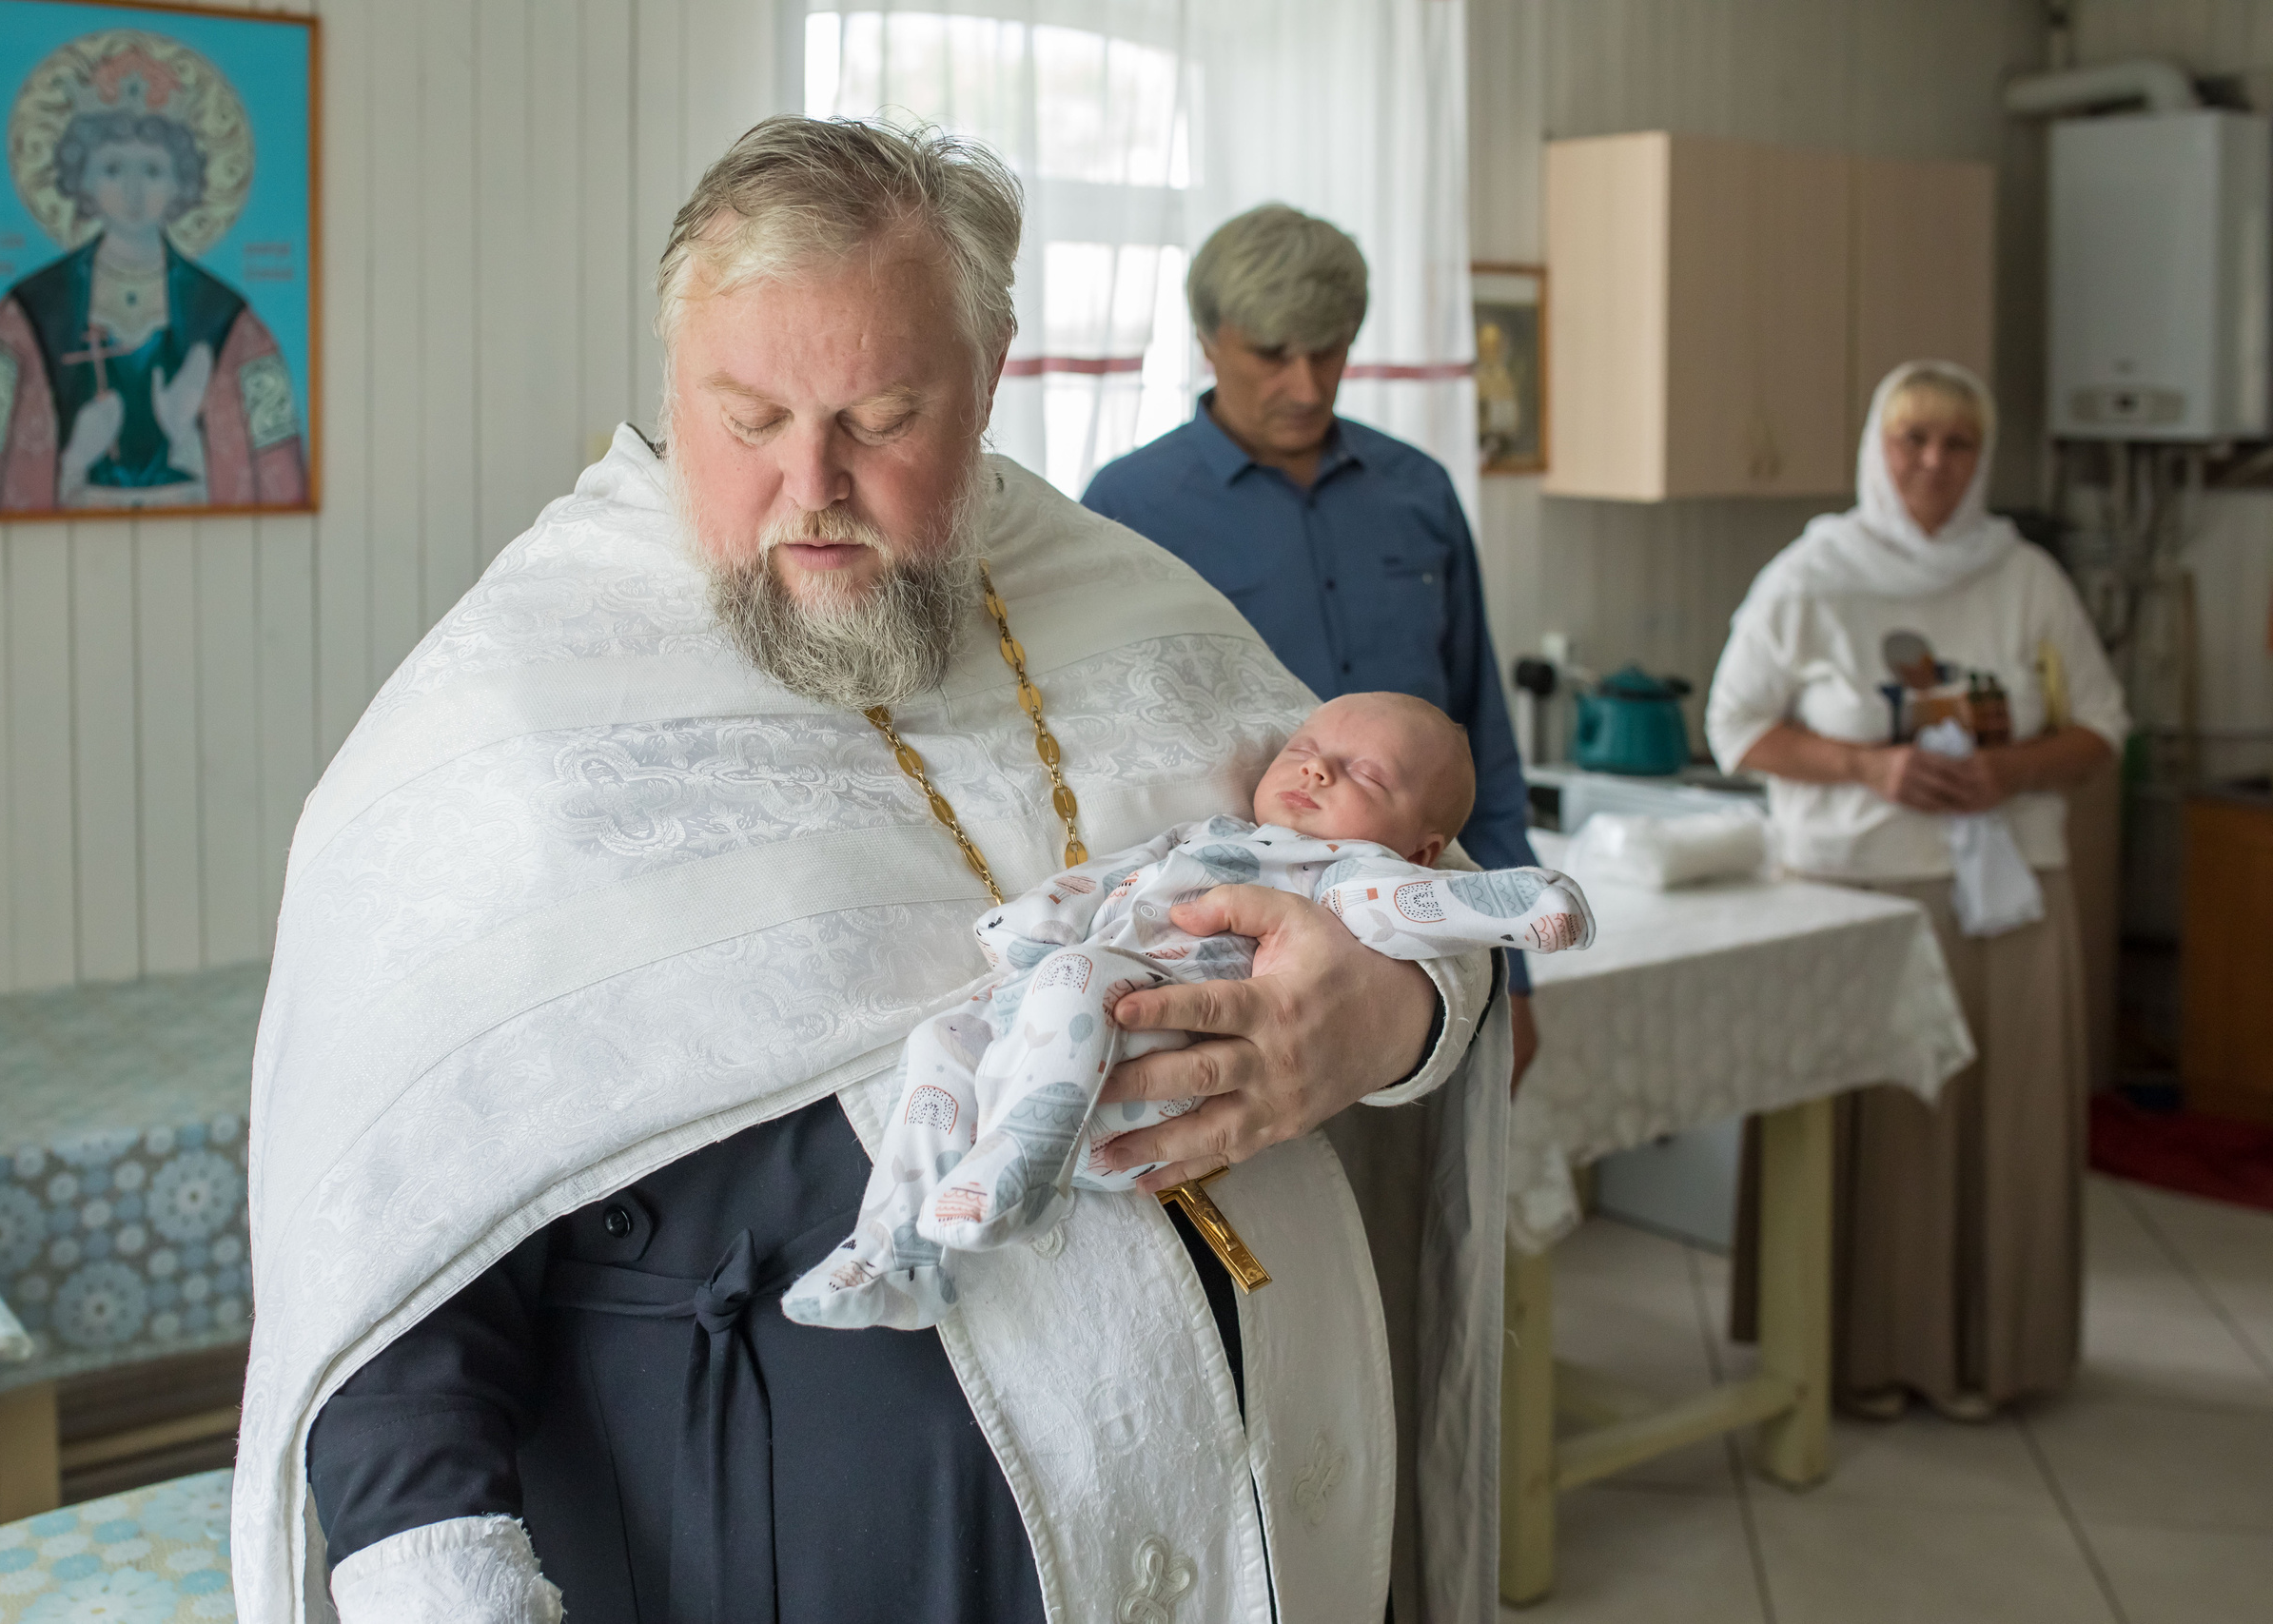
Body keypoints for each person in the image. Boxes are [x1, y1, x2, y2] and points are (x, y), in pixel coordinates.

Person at [236, 119, 1513, 1624]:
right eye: (750, 416)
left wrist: (1388, 1016)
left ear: (991, 377)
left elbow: (1405, 880)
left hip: (1260, 1523)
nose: (812, 484)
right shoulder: (503, 709)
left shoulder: (1121, 596)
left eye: (883, 415)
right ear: (671, 388)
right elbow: (393, 1228)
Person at [789, 692, 1593, 1331]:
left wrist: (1519, 904)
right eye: (1305, 752)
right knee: (941, 1039)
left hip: (1159, 1056)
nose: (1316, 773)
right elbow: (1120, 874)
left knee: (1075, 975)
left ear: (1420, 843)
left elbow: (1413, 907)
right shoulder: (1212, 835)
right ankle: (898, 1254)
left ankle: (1026, 1164)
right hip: (1068, 1036)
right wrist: (1041, 916)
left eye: (1365, 775)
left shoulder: (1341, 871)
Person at [1706, 360, 2129, 1420]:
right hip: (1856, 892)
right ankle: (1845, 1353)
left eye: (1957, 445)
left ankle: (1989, 1354)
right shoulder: (1812, 575)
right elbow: (1733, 725)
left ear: (1981, 462)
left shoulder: (2022, 575)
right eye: (1912, 440)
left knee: (1993, 1126)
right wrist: (1870, 767)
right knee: (1875, 1126)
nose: (1933, 464)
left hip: (2003, 895)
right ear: (1874, 448)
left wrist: (2013, 769)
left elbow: (2103, 727)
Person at [1081, 204, 1543, 1090]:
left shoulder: (1419, 491)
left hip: (1433, 946)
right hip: (1227, 956)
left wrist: (1514, 974)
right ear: (1209, 341)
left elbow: (1480, 734)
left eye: (1328, 350)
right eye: (1272, 354)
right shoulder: (1128, 508)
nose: (1306, 383)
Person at [0, 51, 306, 513]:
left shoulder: (231, 320)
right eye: (113, 169)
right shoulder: (25, 314)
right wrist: (75, 457)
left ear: (183, 183)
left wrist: (187, 440)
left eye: (154, 170)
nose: (134, 194)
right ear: (83, 179)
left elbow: (276, 464)